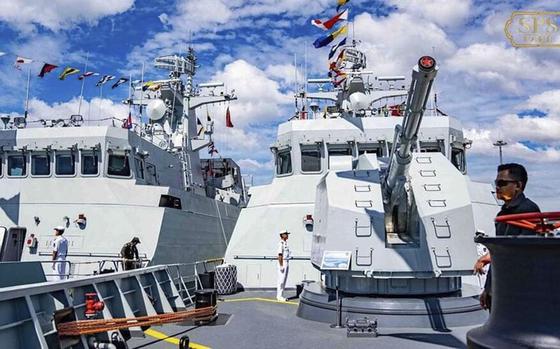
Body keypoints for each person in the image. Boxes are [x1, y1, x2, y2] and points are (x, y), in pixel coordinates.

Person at [474, 163, 540, 311]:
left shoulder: (529, 210)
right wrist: (488, 289)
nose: (497, 187)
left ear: (518, 185)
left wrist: (487, 257)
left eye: (502, 183)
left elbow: (522, 251)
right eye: (497, 183)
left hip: (518, 291)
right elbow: (499, 255)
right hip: (501, 288)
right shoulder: (503, 214)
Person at [277, 230, 291, 302]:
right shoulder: (281, 244)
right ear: (282, 235)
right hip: (283, 262)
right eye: (286, 234)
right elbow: (280, 255)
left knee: (284, 280)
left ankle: (281, 295)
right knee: (281, 280)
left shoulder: (285, 243)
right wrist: (281, 265)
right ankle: (279, 296)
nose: (287, 235)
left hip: (286, 262)